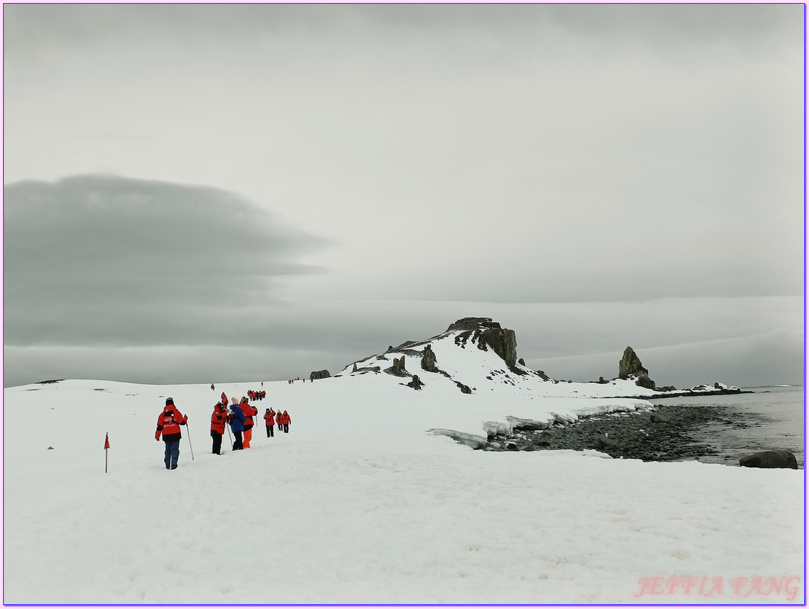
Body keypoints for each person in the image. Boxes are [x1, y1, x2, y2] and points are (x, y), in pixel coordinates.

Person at [155, 397, 188, 470]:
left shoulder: (162, 415)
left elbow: (159, 427)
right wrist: (186, 418)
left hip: (166, 436)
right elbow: (182, 422)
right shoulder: (176, 412)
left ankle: (167, 465)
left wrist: (157, 436)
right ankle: (174, 465)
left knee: (168, 450)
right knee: (175, 450)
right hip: (176, 435)